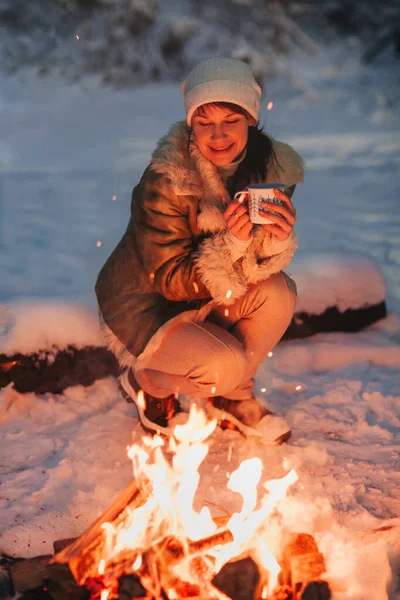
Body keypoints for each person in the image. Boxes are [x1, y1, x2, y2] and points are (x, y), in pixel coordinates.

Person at [95, 57, 304, 444]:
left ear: (251, 119)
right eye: (204, 122)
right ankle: (147, 382)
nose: (218, 135)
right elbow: (171, 281)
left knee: (279, 293)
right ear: (191, 124)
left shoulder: (271, 170)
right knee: (224, 364)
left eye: (231, 120)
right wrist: (232, 244)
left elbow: (254, 265)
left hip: (208, 296)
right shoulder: (167, 180)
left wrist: (274, 240)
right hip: (148, 305)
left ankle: (233, 399)